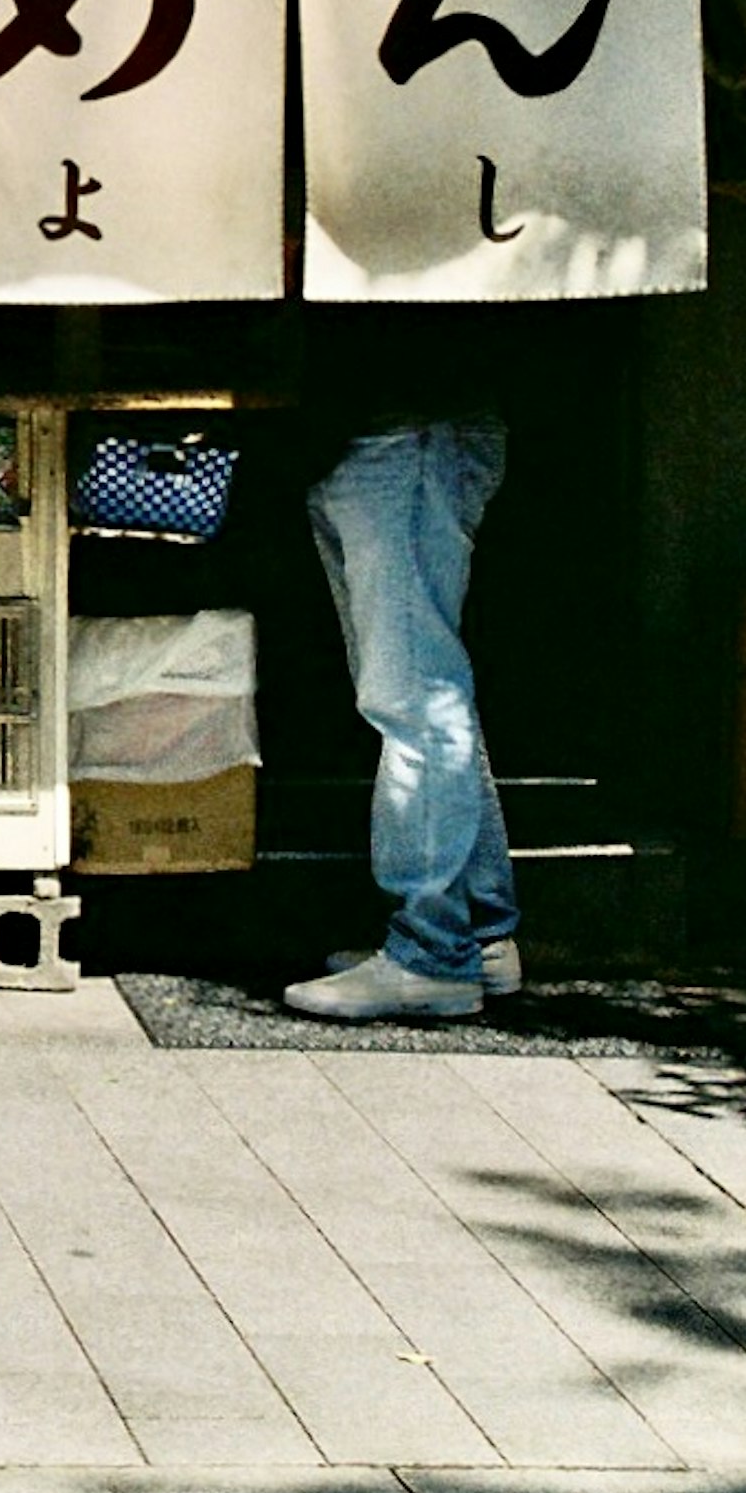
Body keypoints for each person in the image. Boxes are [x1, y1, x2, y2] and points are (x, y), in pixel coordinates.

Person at [281, 307, 523, 1023]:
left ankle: (432, 950)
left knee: (414, 696)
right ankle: (479, 934)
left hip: (406, 424)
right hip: (393, 423)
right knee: (422, 686)